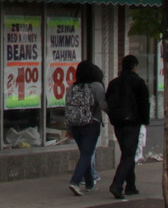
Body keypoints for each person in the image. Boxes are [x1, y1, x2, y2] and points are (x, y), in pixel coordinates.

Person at [105, 54, 151, 199]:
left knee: (127, 153)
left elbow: (108, 103)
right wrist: (145, 120)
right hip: (133, 122)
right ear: (134, 66)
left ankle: (130, 185)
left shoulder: (114, 83)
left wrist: (113, 117)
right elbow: (144, 103)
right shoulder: (138, 82)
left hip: (118, 122)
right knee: (129, 155)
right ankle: (117, 185)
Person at [64, 60, 107, 196]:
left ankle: (90, 184)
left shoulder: (73, 88)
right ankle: (75, 181)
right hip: (90, 125)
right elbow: (104, 105)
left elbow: (68, 108)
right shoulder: (96, 86)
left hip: (75, 125)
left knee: (85, 153)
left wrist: (69, 129)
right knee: (87, 153)